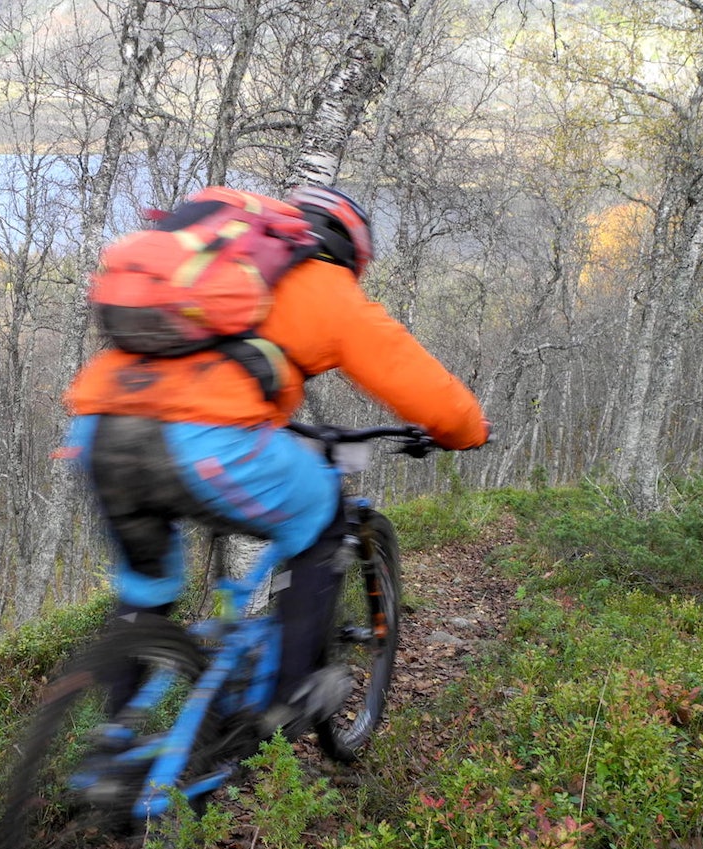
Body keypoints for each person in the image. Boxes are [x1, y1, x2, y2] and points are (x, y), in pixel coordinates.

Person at [61, 183, 490, 735]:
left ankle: (115, 745)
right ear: (348, 249)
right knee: (323, 521)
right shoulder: (327, 285)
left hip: (100, 430)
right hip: (204, 442)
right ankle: (290, 698)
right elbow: (419, 385)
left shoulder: (213, 259)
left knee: (148, 588)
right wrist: (467, 431)